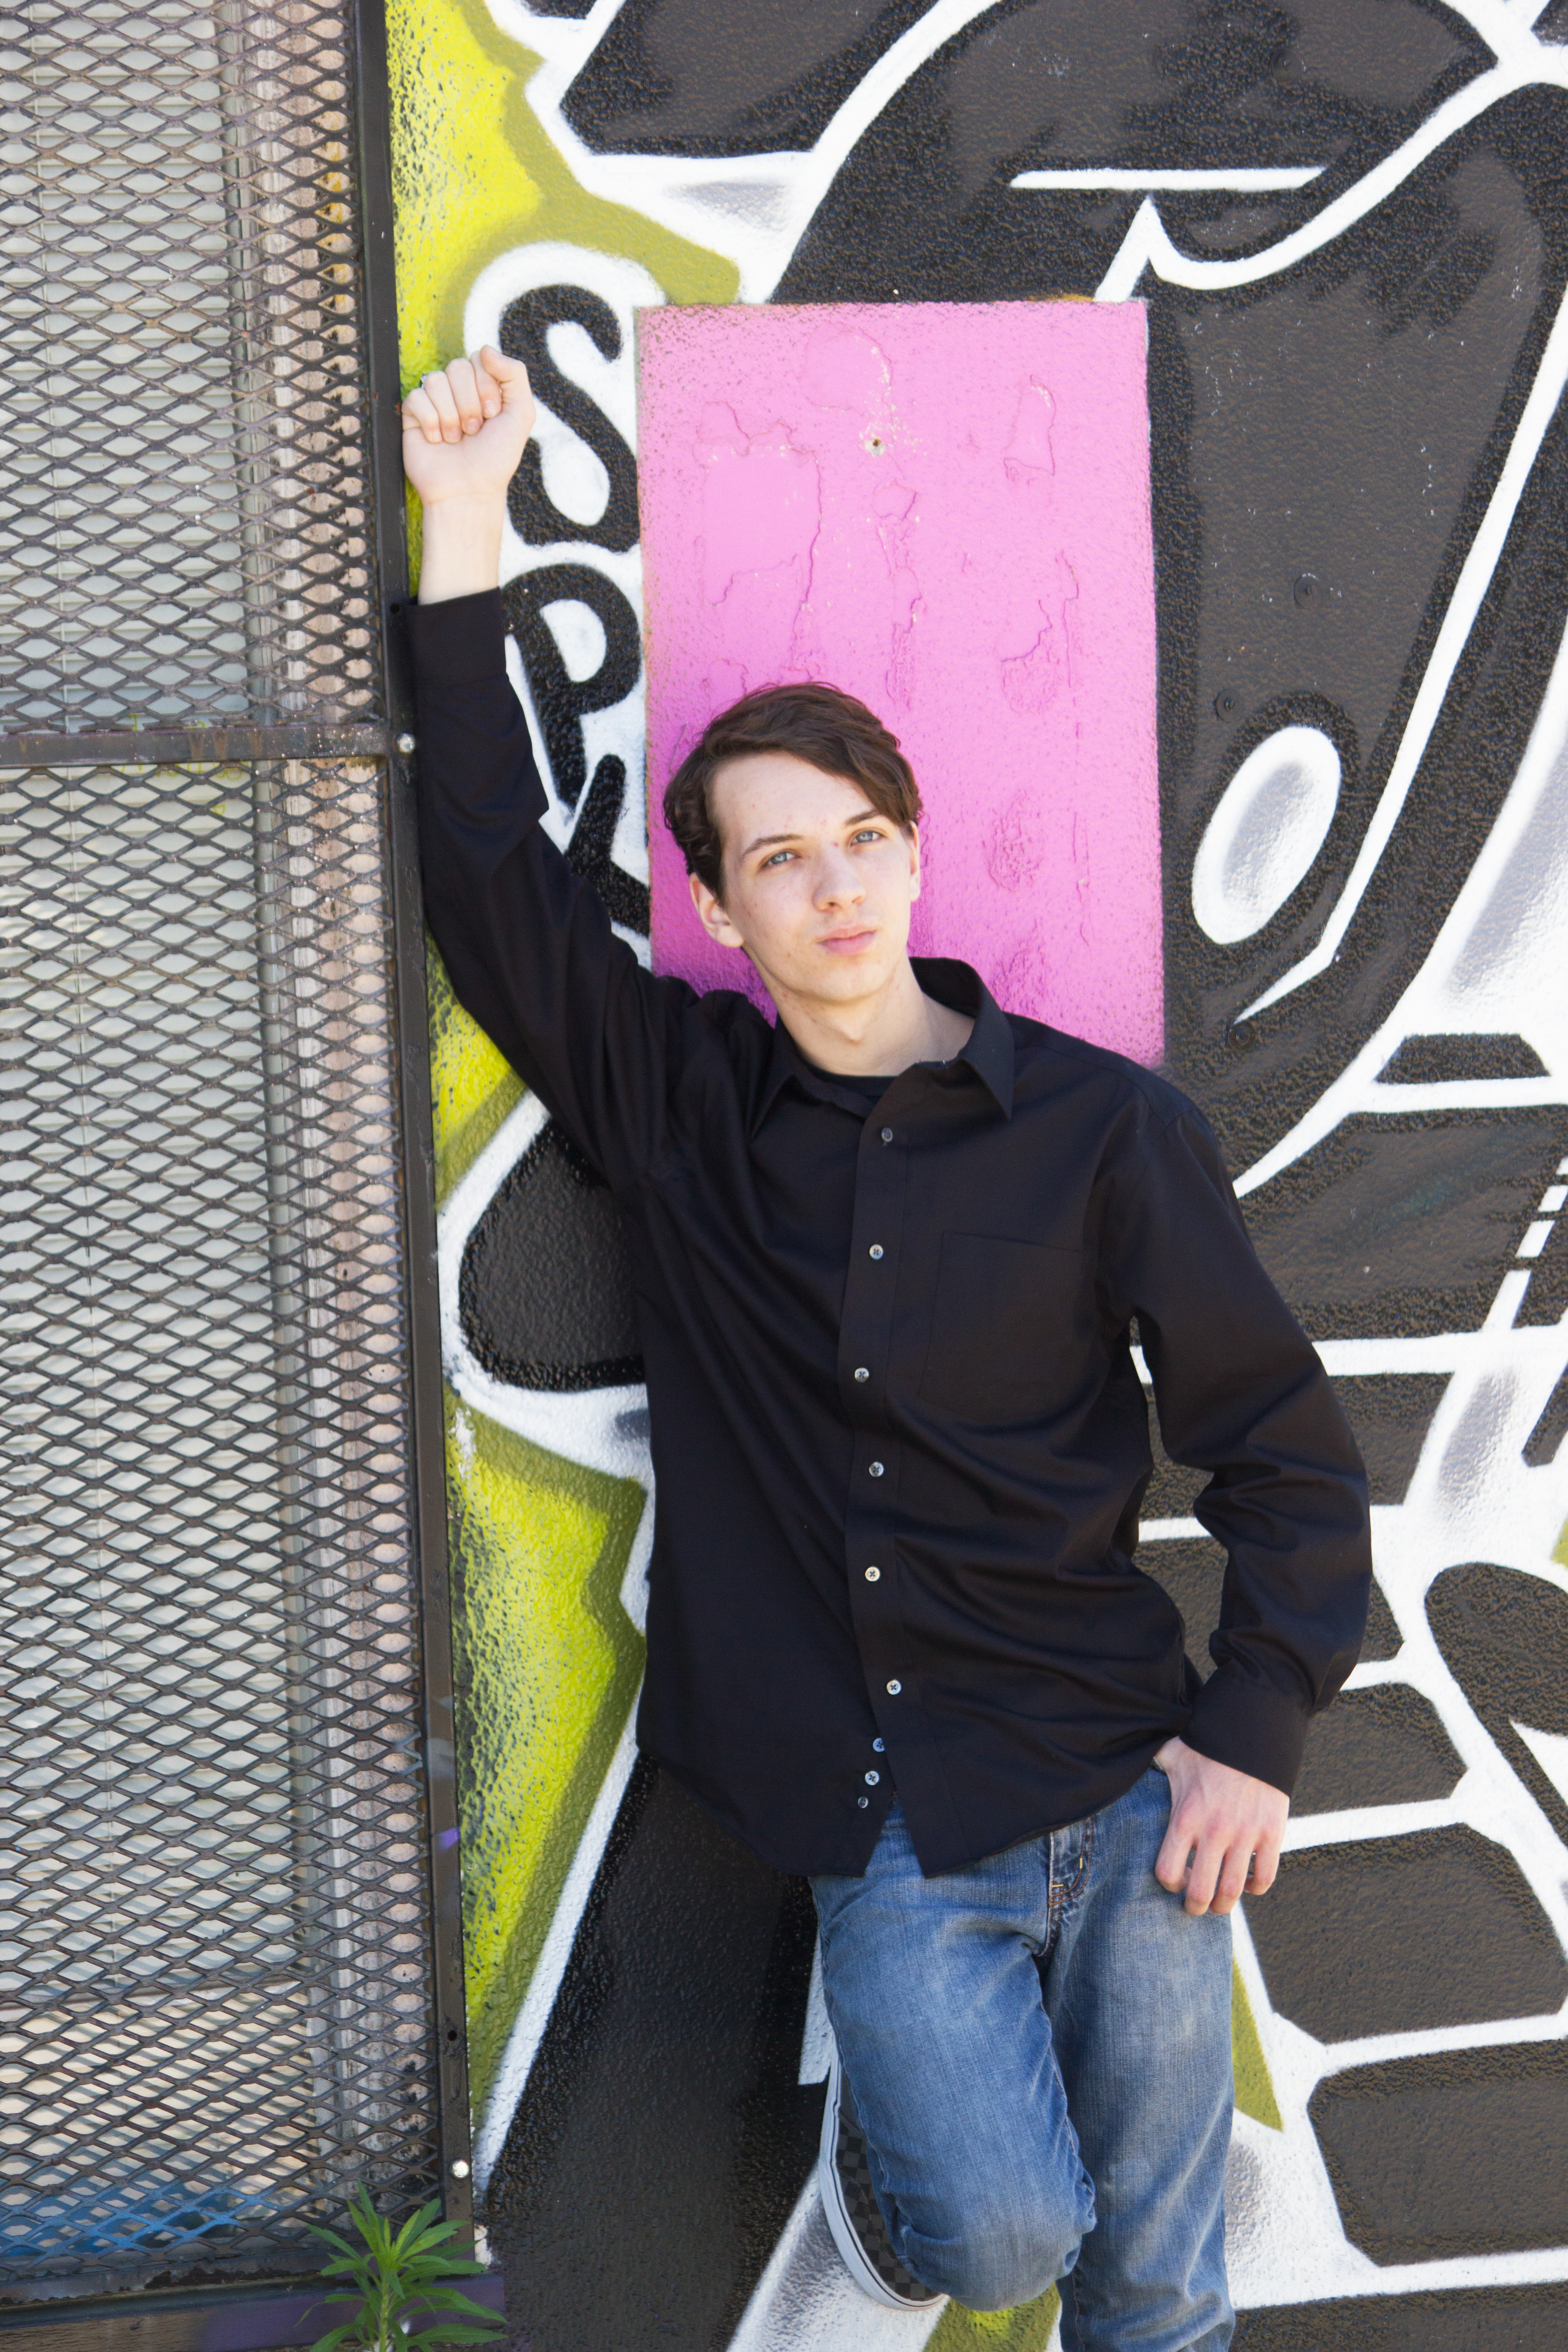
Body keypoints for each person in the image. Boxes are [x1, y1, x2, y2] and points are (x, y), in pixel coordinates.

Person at [401, 346, 1371, 2350]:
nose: (831, 886)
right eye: (778, 859)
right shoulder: (681, 1105)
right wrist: (467, 519)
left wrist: (1257, 1725)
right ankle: (898, 2186)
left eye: (856, 838)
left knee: (1160, 2284)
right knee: (999, 2239)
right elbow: (487, 878)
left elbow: (1281, 1445)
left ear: (911, 848)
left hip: (1129, 1781)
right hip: (890, 1821)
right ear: (721, 905)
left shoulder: (1101, 1131)